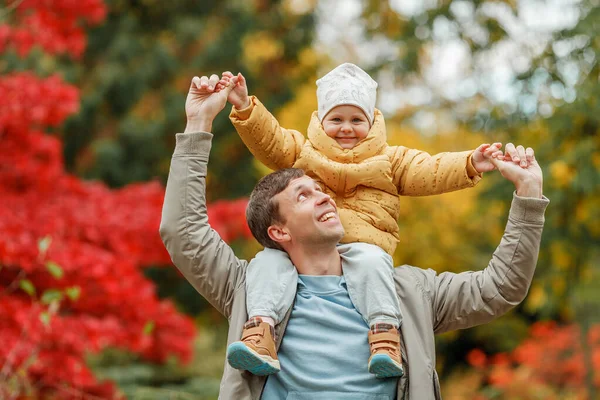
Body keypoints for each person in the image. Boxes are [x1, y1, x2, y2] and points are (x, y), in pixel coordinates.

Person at [160, 74, 548, 399]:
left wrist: (528, 196)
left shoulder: (408, 295)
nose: (325, 194)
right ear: (279, 231)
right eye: (303, 194)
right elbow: (184, 232)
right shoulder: (248, 288)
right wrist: (198, 123)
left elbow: (499, 289)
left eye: (320, 188)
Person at [218, 63, 504, 378]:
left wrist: (470, 162)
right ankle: (260, 331)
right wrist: (245, 107)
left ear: (371, 122)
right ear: (321, 120)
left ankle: (384, 335)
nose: (346, 128)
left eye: (357, 120)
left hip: (363, 245)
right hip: (307, 252)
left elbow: (430, 169)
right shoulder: (304, 152)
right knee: (266, 263)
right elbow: (271, 140)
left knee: (373, 261)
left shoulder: (390, 160)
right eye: (336, 119)